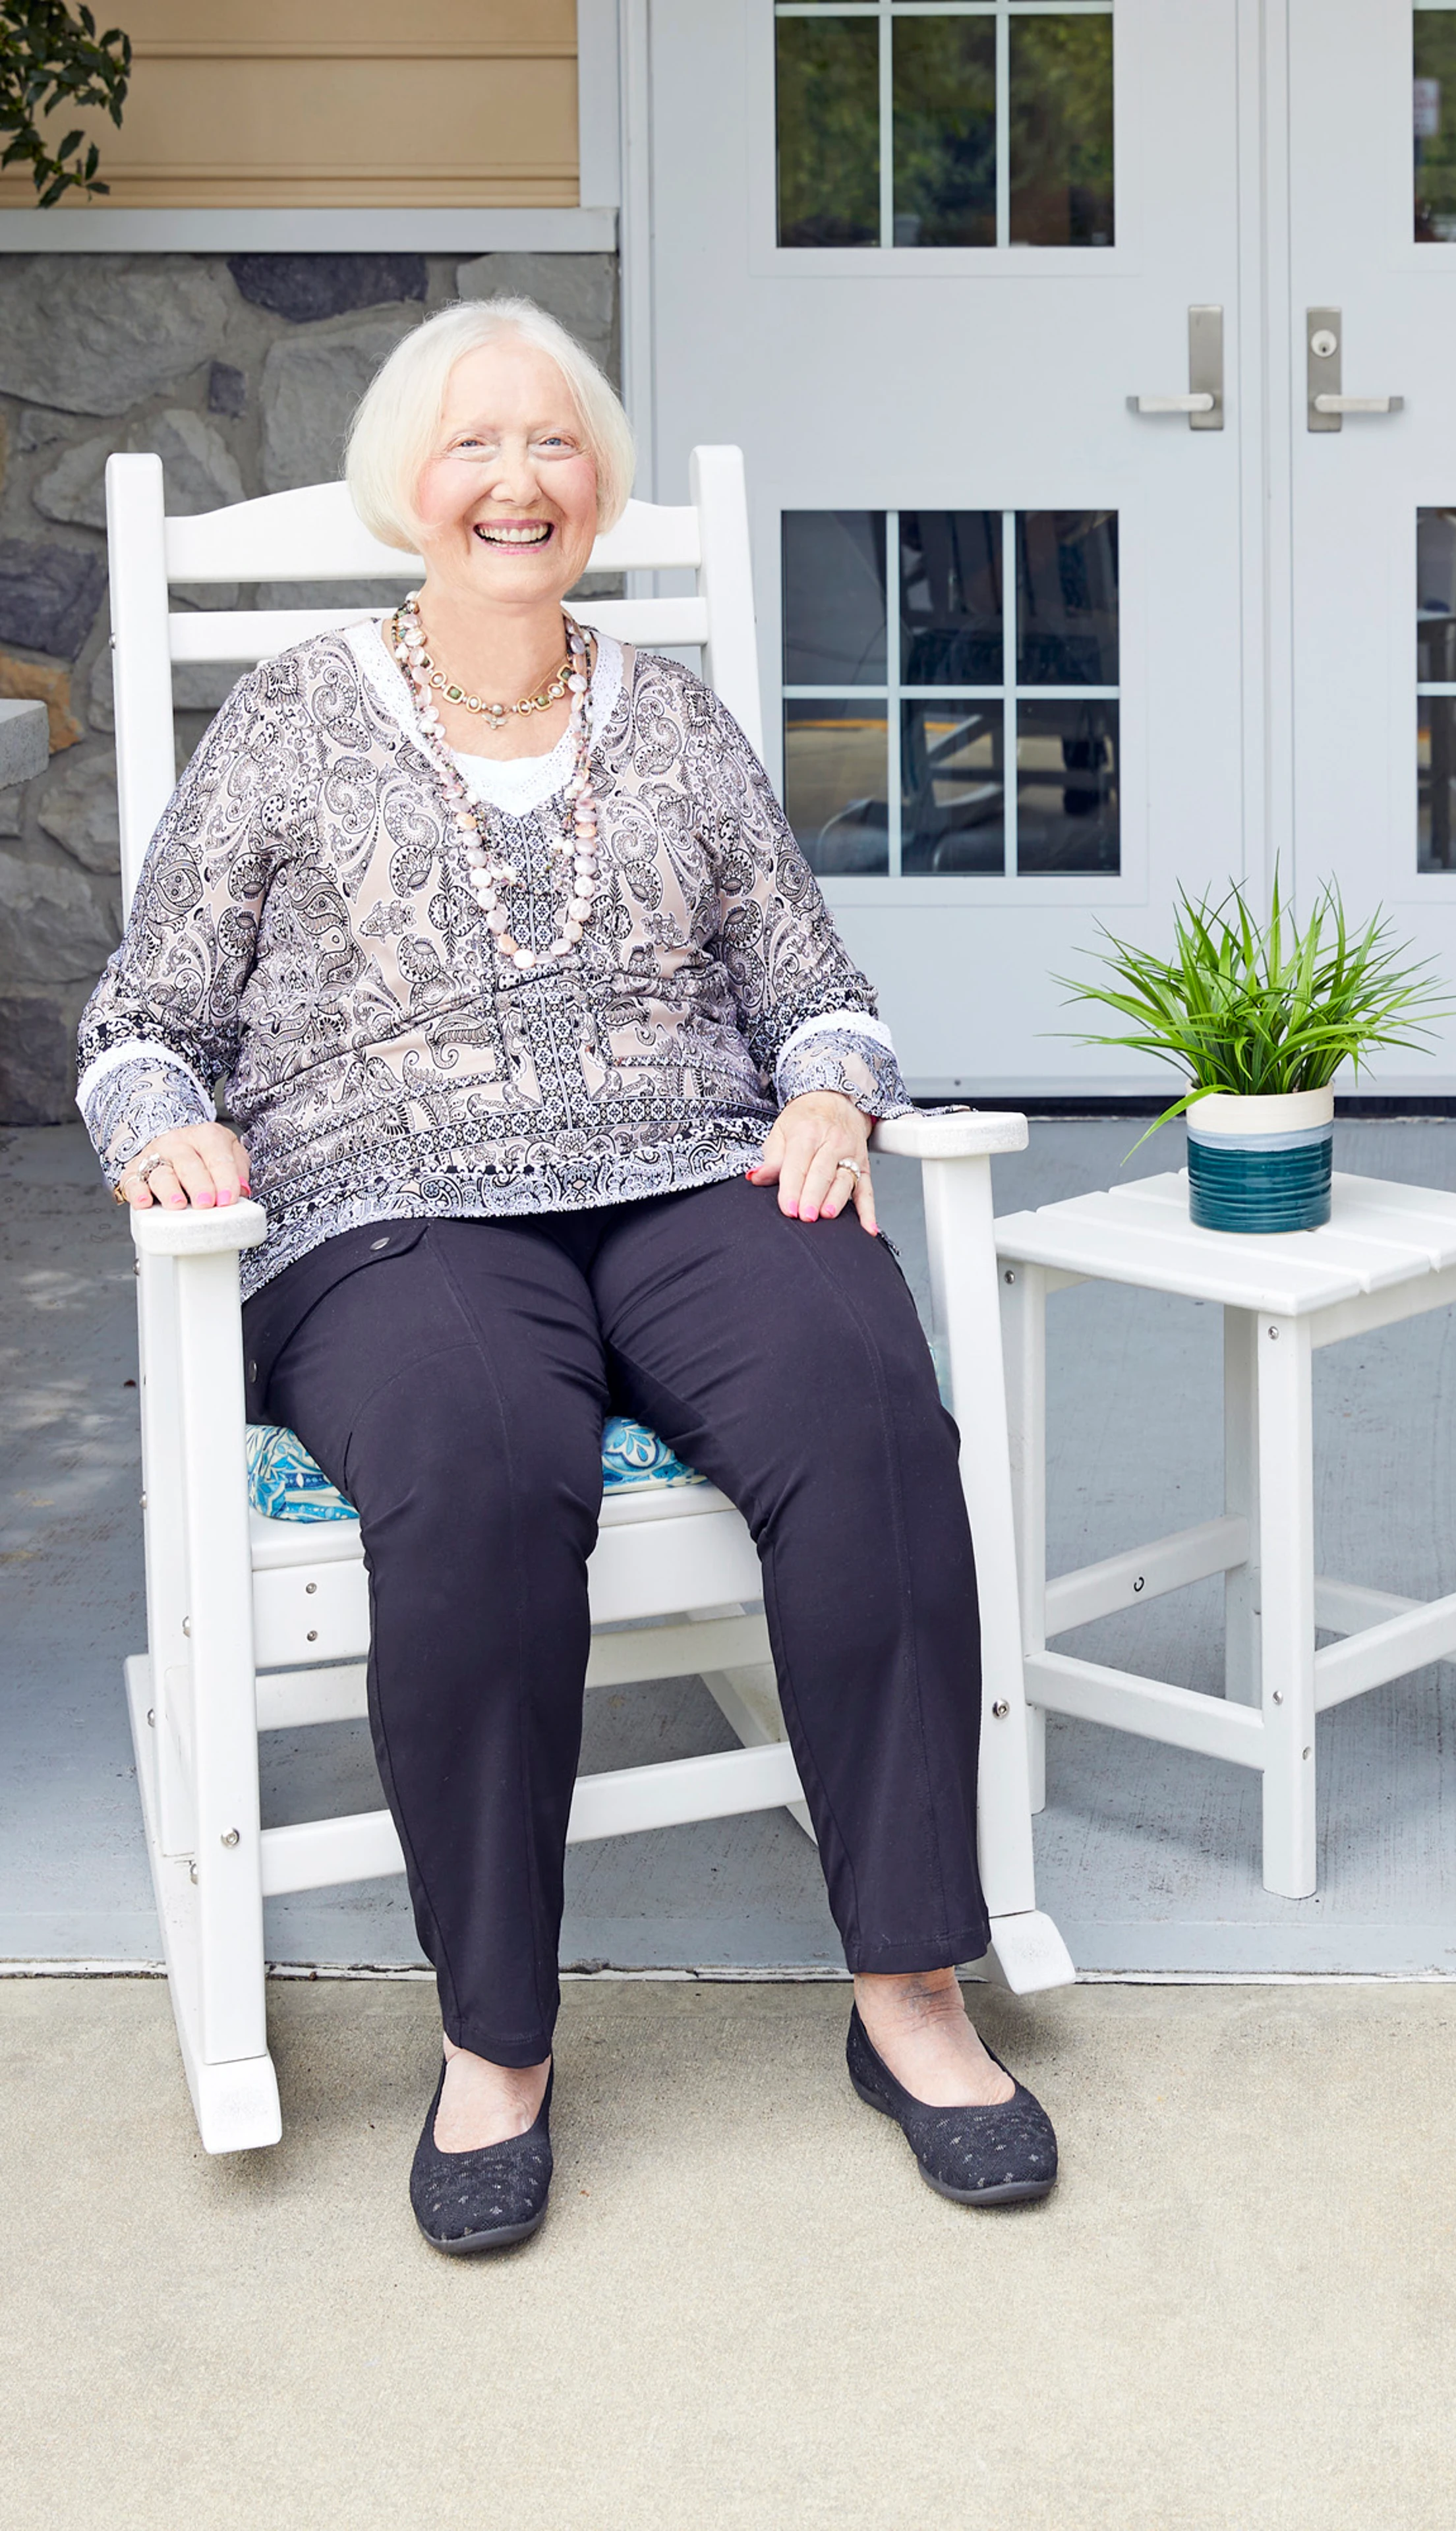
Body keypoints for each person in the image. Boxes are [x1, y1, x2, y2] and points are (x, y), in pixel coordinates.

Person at [76, 297, 1057, 2250]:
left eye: (554, 447)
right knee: (474, 1458)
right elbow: (144, 1015)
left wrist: (838, 1103)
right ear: (407, 493)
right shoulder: (290, 713)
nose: (517, 482)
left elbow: (817, 994)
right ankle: (498, 2038)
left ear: (594, 488)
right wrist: (160, 1130)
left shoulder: (674, 714)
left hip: (689, 1165)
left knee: (866, 1401)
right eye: (473, 448)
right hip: (388, 1200)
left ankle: (911, 1988)